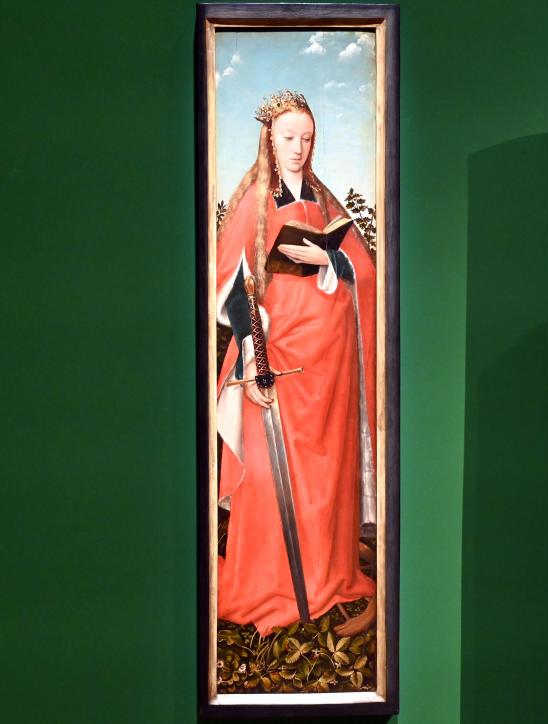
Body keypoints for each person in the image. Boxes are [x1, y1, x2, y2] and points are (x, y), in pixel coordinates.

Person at [215, 90, 377, 637]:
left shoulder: (325, 202)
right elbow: (233, 284)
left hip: (330, 362)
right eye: (289, 137)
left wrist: (327, 256)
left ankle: (329, 572)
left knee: (327, 473)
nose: (298, 148)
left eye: (307, 138)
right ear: (270, 137)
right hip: (277, 353)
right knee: (273, 478)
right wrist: (254, 357)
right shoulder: (254, 203)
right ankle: (274, 582)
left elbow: (364, 272)